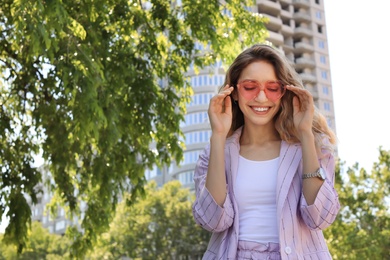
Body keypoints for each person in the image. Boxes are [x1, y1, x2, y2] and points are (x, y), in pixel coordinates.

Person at [192, 44, 340, 259]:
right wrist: (218, 135)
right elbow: (213, 221)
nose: (261, 97)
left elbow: (320, 218)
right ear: (233, 92)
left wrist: (305, 133)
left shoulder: (314, 148)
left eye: (272, 88)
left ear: (284, 92)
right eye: (250, 87)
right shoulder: (215, 152)